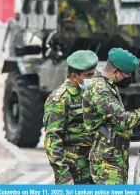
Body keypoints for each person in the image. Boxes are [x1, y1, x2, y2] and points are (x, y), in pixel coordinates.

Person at [82, 48, 140, 184]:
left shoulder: (108, 86)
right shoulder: (100, 90)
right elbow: (124, 120)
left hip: (114, 157)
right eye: (127, 74)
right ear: (115, 72)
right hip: (107, 162)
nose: (128, 78)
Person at [43, 50, 99, 185]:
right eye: (89, 75)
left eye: (94, 74)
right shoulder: (59, 99)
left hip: (93, 166)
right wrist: (64, 176)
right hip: (74, 169)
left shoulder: (90, 93)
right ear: (74, 76)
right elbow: (52, 140)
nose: (93, 78)